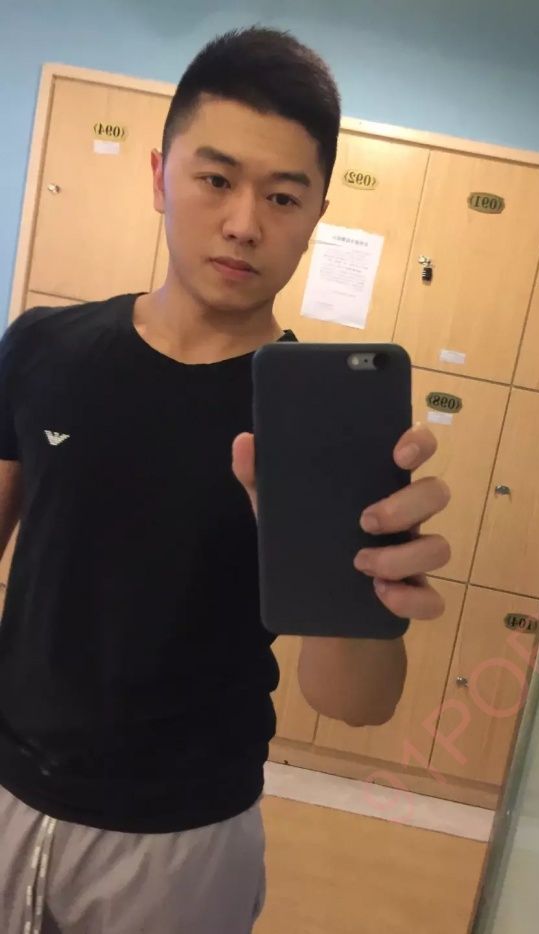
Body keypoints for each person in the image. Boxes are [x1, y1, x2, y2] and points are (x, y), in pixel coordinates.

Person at [0, 26, 451, 934]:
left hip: (184, 837)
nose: (246, 223)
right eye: (216, 180)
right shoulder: (43, 348)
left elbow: (356, 705)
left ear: (316, 217)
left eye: (283, 196)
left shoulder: (324, 434)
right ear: (159, 175)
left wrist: (360, 580)